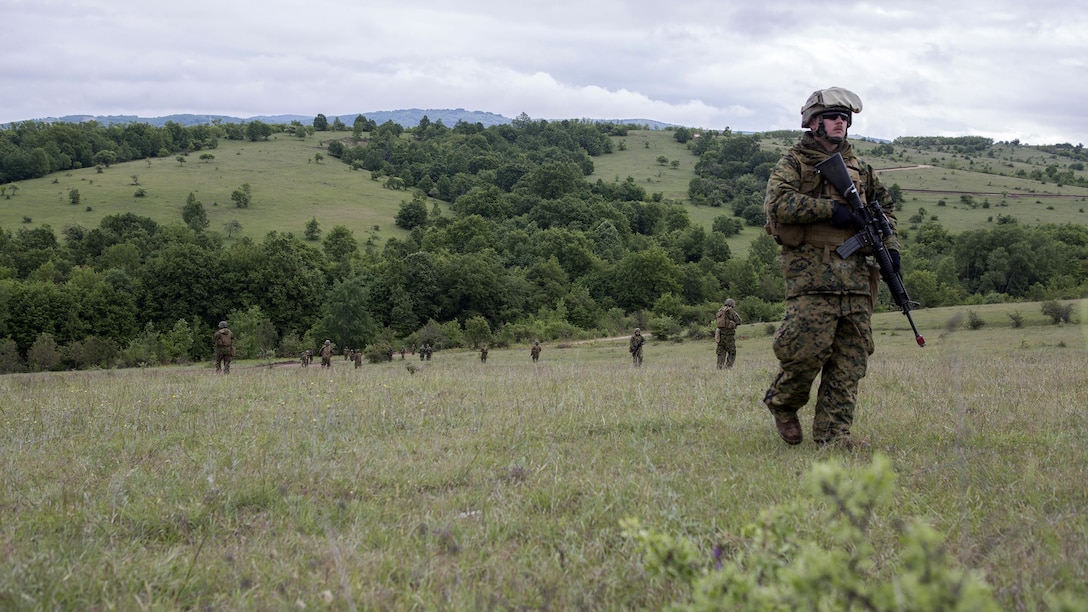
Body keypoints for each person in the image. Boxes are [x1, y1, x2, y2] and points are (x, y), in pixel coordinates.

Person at [761, 86, 899, 449]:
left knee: (850, 360)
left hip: (854, 277)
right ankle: (784, 404)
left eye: (844, 119)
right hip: (811, 274)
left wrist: (890, 247)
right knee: (804, 352)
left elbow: (886, 211)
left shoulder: (861, 170)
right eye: (832, 118)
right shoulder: (794, 162)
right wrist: (832, 211)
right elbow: (779, 205)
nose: (839, 123)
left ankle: (834, 437)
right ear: (813, 123)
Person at [715, 298, 743, 369]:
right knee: (732, 352)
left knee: (721, 352)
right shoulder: (730, 311)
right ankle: (728, 367)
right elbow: (739, 321)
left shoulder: (720, 311)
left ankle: (719, 367)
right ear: (732, 304)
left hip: (720, 335)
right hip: (729, 336)